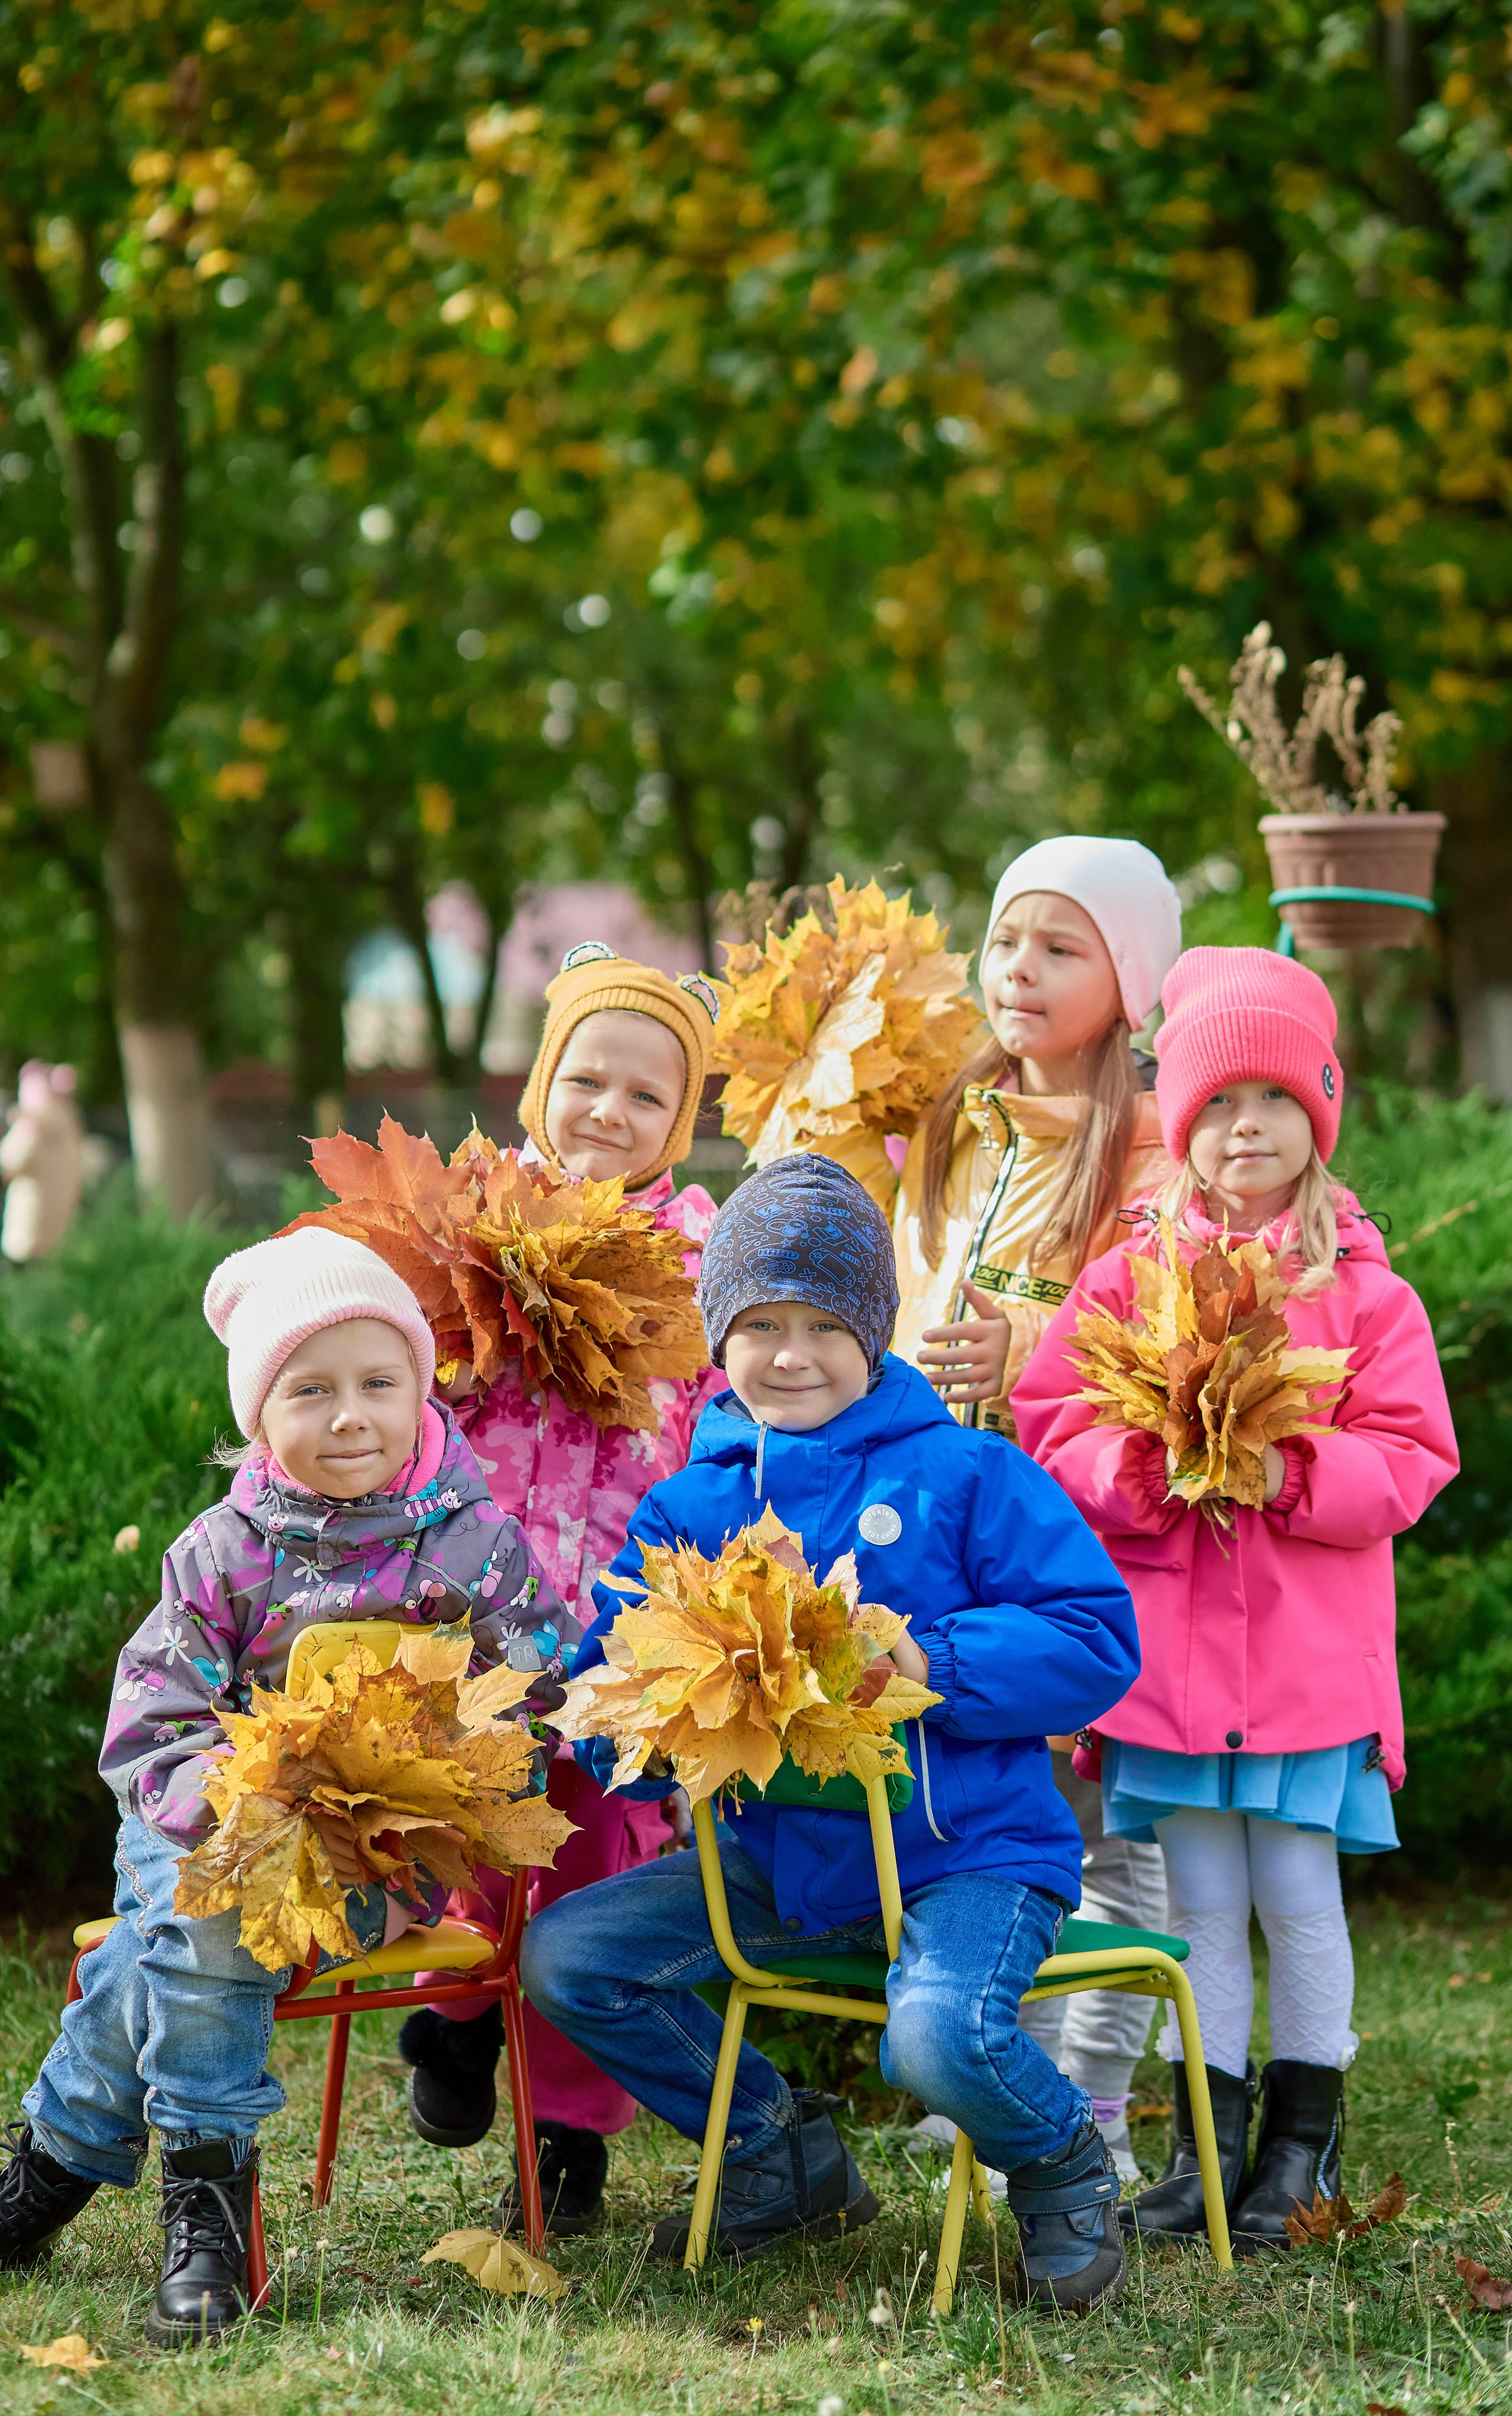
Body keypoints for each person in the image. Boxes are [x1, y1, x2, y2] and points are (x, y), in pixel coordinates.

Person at [0, 1227, 578, 2345]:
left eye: (378, 1382)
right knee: (210, 1904)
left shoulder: (480, 1549)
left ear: (421, 1387)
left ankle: (41, 2193)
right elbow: (150, 1726)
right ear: (260, 1415)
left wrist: (444, 1782)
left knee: (173, 1943)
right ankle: (205, 2218)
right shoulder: (221, 1553)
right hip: (201, 1824)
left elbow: (537, 1698)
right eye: (309, 1391)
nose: (349, 1416)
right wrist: (230, 1795)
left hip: (373, 1854)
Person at [522, 1152, 1143, 2313]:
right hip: (777, 1865)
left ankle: (1061, 2161)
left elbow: (1097, 1640)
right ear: (722, 1335)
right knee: (571, 1960)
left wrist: (934, 1660)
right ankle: (778, 2152)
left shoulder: (967, 1473)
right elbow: (614, 1682)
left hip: (968, 1855)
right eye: (761, 1324)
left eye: (824, 1325)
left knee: (937, 2040)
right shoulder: (689, 1507)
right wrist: (619, 1726)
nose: (791, 1354)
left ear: (874, 1333)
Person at [1012, 948, 1457, 2246]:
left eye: (1272, 1099)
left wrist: (1290, 1470)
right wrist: (1138, 1471)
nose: (1243, 1126)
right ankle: (1206, 2146)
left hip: (1308, 1665)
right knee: (1198, 1900)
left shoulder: (1362, 1295)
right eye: (1214, 1102)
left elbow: (1411, 1455)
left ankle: (1301, 2151)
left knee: (1296, 1894)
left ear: (1318, 1113)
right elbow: (1054, 1421)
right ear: (1178, 1122)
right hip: (1174, 1661)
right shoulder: (1124, 1281)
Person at [802, 837, 1182, 2181]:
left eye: (1061, 947)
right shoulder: (954, 1124)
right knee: (974, 1804)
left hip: (1081, 1531)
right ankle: (986, 2066)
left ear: (1128, 982)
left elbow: (1173, 1337)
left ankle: (1094, 2099)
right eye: (1006, 939)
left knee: (1107, 1819)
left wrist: (1033, 1356)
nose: (1019, 968)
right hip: (941, 1528)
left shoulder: (1153, 1153)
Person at [397, 941, 727, 2234]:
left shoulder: (695, 1255)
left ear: (680, 1123)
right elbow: (406, 1383)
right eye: (587, 1079)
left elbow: (722, 1414)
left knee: (597, 1856)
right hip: (475, 1601)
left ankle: (569, 2132)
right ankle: (454, 2012)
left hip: (621, 1615)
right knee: (475, 1825)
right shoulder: (470, 1224)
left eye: (647, 1096)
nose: (609, 1111)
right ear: (541, 1082)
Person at [0, 1060, 85, 1263]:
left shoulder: (28, 1128)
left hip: (29, 1229)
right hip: (64, 1230)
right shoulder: (71, 1127)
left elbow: (9, 1164)